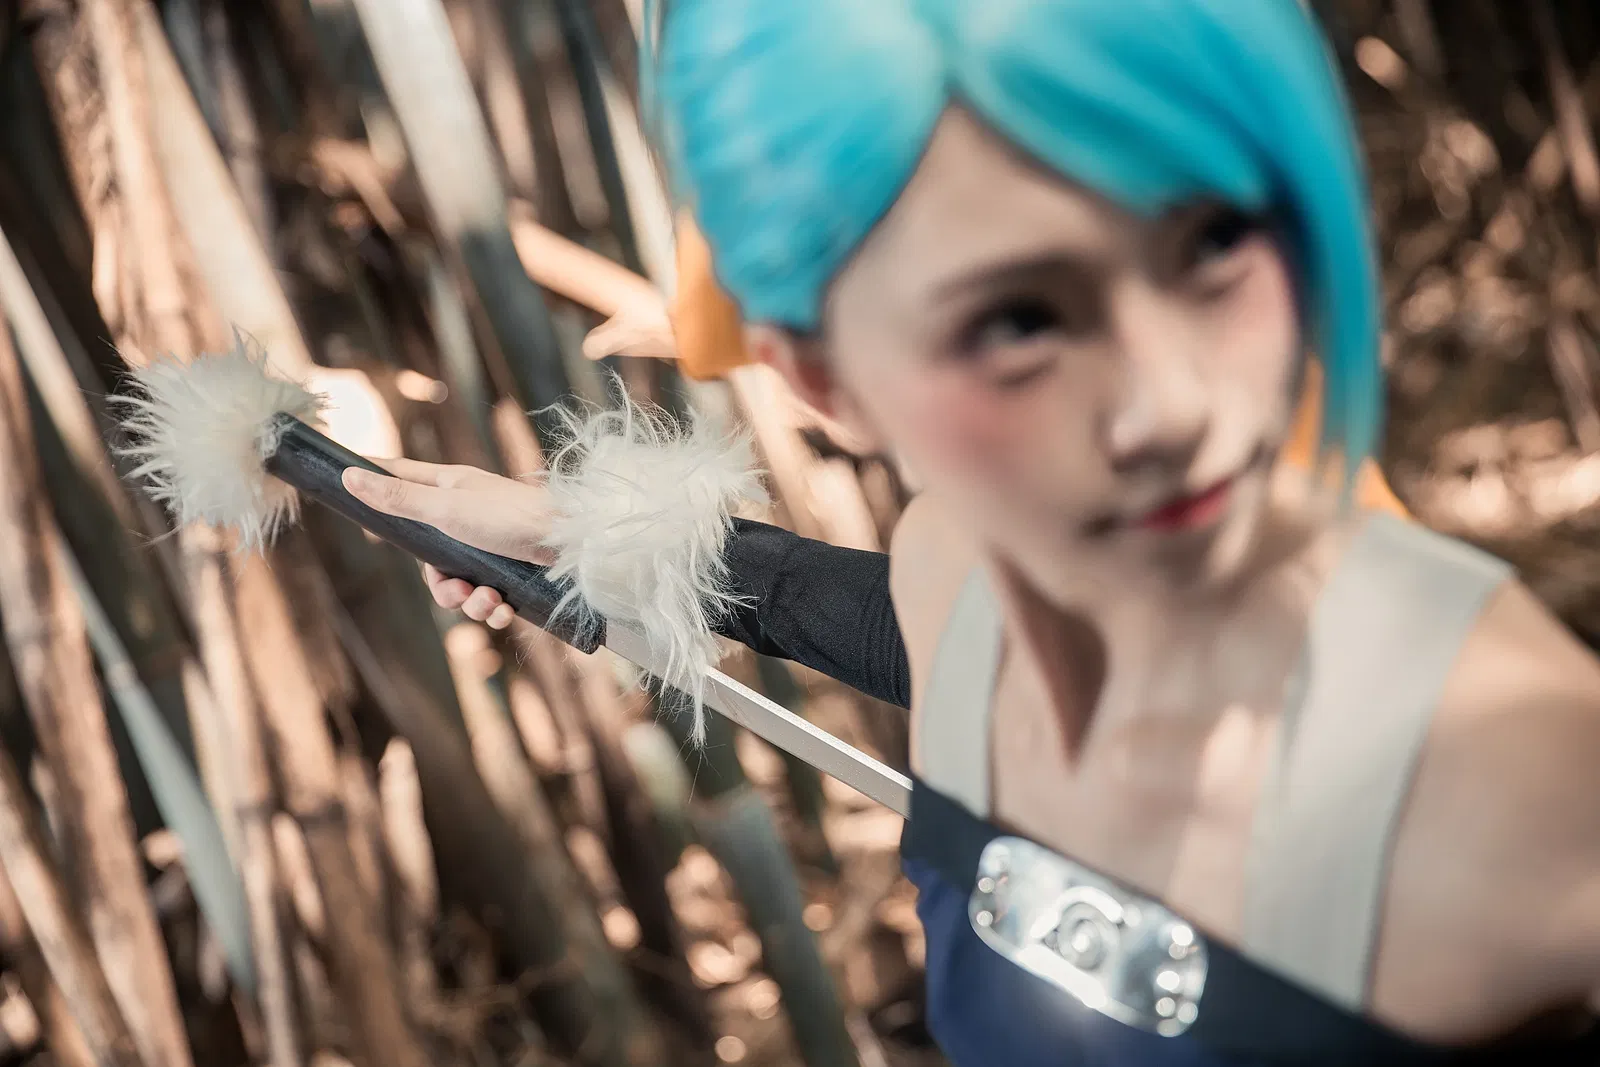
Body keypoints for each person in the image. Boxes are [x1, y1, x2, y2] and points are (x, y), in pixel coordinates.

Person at [345, 0, 1600, 1062]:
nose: (1173, 400)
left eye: (1213, 241)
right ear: (819, 377)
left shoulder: (1512, 772)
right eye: (1016, 322)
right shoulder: (959, 563)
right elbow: (915, 630)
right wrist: (591, 534)